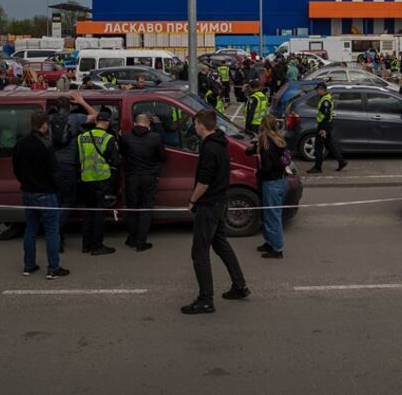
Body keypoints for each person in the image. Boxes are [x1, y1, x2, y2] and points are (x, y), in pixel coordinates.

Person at [182, 109, 249, 314]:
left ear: (202, 124)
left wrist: (193, 201)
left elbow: (204, 181)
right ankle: (239, 286)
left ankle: (205, 299)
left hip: (209, 204)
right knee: (221, 246)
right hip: (220, 202)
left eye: (195, 124)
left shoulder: (209, 148)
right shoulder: (220, 143)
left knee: (199, 253)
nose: (194, 127)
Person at [12, 111, 69, 280]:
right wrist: (59, 189)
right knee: (52, 231)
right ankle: (53, 268)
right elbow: (54, 171)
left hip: (28, 192)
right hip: (46, 193)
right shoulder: (46, 145)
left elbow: (16, 168)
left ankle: (29, 265)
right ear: (44, 125)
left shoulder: (20, 143)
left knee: (31, 229)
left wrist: (25, 182)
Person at [49, 92, 98, 251]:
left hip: (52, 166)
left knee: (57, 203)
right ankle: (55, 230)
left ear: (56, 107)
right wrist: (82, 101)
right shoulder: (76, 118)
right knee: (68, 201)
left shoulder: (48, 120)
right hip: (69, 166)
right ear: (70, 106)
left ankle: (58, 241)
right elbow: (95, 115)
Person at [77, 108, 121, 256]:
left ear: (96, 121)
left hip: (85, 179)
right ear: (107, 123)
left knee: (88, 213)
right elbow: (116, 160)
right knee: (99, 214)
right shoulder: (109, 138)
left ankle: (86, 245)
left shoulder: (81, 137)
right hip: (102, 180)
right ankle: (97, 246)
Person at [120, 111, 166, 252]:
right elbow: (163, 157)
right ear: (149, 124)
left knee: (133, 209)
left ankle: (132, 239)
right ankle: (141, 242)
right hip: (149, 177)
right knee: (145, 209)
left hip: (132, 177)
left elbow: (121, 153)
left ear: (135, 123)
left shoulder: (125, 136)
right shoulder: (155, 137)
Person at [247, 116, 287, 259]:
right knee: (271, 214)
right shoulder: (278, 139)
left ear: (263, 126)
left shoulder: (266, 142)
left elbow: (268, 166)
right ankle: (269, 242)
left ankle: (277, 249)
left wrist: (259, 173)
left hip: (271, 183)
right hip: (281, 181)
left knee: (272, 216)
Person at [308, 83, 347, 174]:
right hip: (326, 125)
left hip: (324, 125)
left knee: (318, 146)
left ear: (322, 89)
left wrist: (323, 129)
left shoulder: (325, 101)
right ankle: (341, 161)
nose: (317, 92)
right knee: (329, 144)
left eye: (317, 90)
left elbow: (326, 116)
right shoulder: (325, 97)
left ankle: (318, 167)